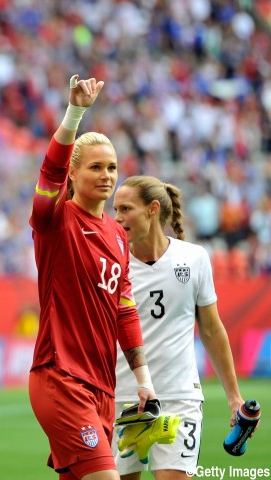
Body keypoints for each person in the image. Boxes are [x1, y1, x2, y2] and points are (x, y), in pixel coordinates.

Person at [27, 75, 157, 480]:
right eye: (96, 167)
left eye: (112, 167)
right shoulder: (55, 219)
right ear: (73, 174)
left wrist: (143, 381)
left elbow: (125, 310)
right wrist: (75, 113)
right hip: (60, 378)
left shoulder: (119, 236)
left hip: (102, 389)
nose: (106, 175)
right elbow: (50, 172)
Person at [112, 176, 244, 480]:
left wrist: (233, 396)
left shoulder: (194, 258)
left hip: (179, 396)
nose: (117, 218)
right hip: (123, 397)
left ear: (152, 209)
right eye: (115, 209)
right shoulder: (112, 263)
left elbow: (211, 330)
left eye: (125, 209)